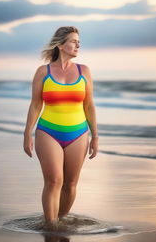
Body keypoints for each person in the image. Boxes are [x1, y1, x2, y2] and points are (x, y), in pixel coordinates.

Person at [23, 26, 99, 228]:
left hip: (78, 133)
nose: (78, 45)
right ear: (60, 44)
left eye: (78, 42)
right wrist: (27, 134)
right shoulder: (43, 72)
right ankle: (51, 226)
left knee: (71, 183)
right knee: (54, 180)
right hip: (48, 131)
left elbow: (89, 105)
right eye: (73, 41)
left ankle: (61, 220)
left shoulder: (84, 71)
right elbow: (36, 105)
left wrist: (96, 137)